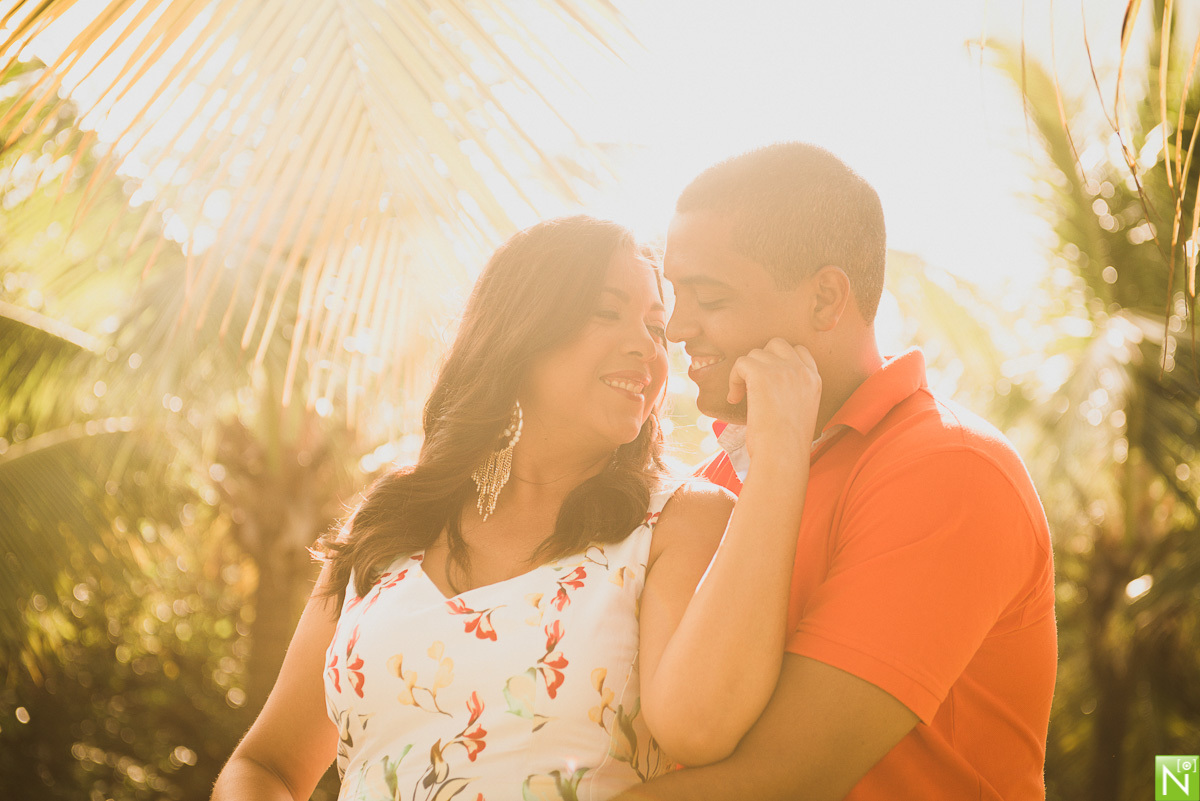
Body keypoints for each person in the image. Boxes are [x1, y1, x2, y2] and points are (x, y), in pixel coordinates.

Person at [211, 215, 822, 801]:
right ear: (522, 329)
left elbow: (700, 727)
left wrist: (779, 453)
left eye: (656, 327)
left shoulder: (681, 521)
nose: (647, 346)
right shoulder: (393, 518)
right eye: (606, 312)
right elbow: (266, 765)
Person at [611, 143, 1058, 801]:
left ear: (825, 299)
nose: (675, 329)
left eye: (710, 296)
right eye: (676, 295)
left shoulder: (952, 470)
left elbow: (787, 777)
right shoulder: (709, 487)